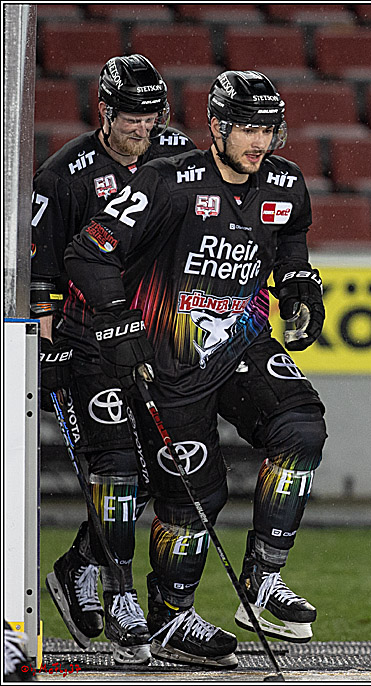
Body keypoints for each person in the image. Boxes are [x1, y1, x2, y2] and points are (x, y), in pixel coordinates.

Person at [64, 70, 327, 669]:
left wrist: (302, 296)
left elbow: (291, 256)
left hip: (241, 345)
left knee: (303, 428)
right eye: (247, 129)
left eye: (268, 129)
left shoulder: (286, 183)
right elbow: (89, 251)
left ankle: (262, 580)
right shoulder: (168, 181)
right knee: (196, 495)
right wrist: (115, 320)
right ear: (216, 126)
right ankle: (170, 616)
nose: (260, 142)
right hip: (169, 358)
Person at [30, 54, 195, 665]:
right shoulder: (63, 175)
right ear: (104, 111)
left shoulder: (176, 157)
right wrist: (46, 349)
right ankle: (122, 594)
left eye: (152, 116)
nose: (143, 128)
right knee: (116, 467)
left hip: (154, 337)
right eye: (131, 117)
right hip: (84, 343)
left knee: (159, 470)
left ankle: (78, 564)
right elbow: (42, 269)